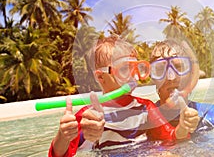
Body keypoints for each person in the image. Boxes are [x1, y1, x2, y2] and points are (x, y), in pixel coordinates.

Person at [49, 36, 199, 157]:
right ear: (101, 77)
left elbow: (170, 137)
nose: (132, 75)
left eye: (136, 68)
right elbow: (59, 154)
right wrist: (63, 135)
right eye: (124, 69)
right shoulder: (90, 116)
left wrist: (183, 127)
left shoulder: (145, 108)